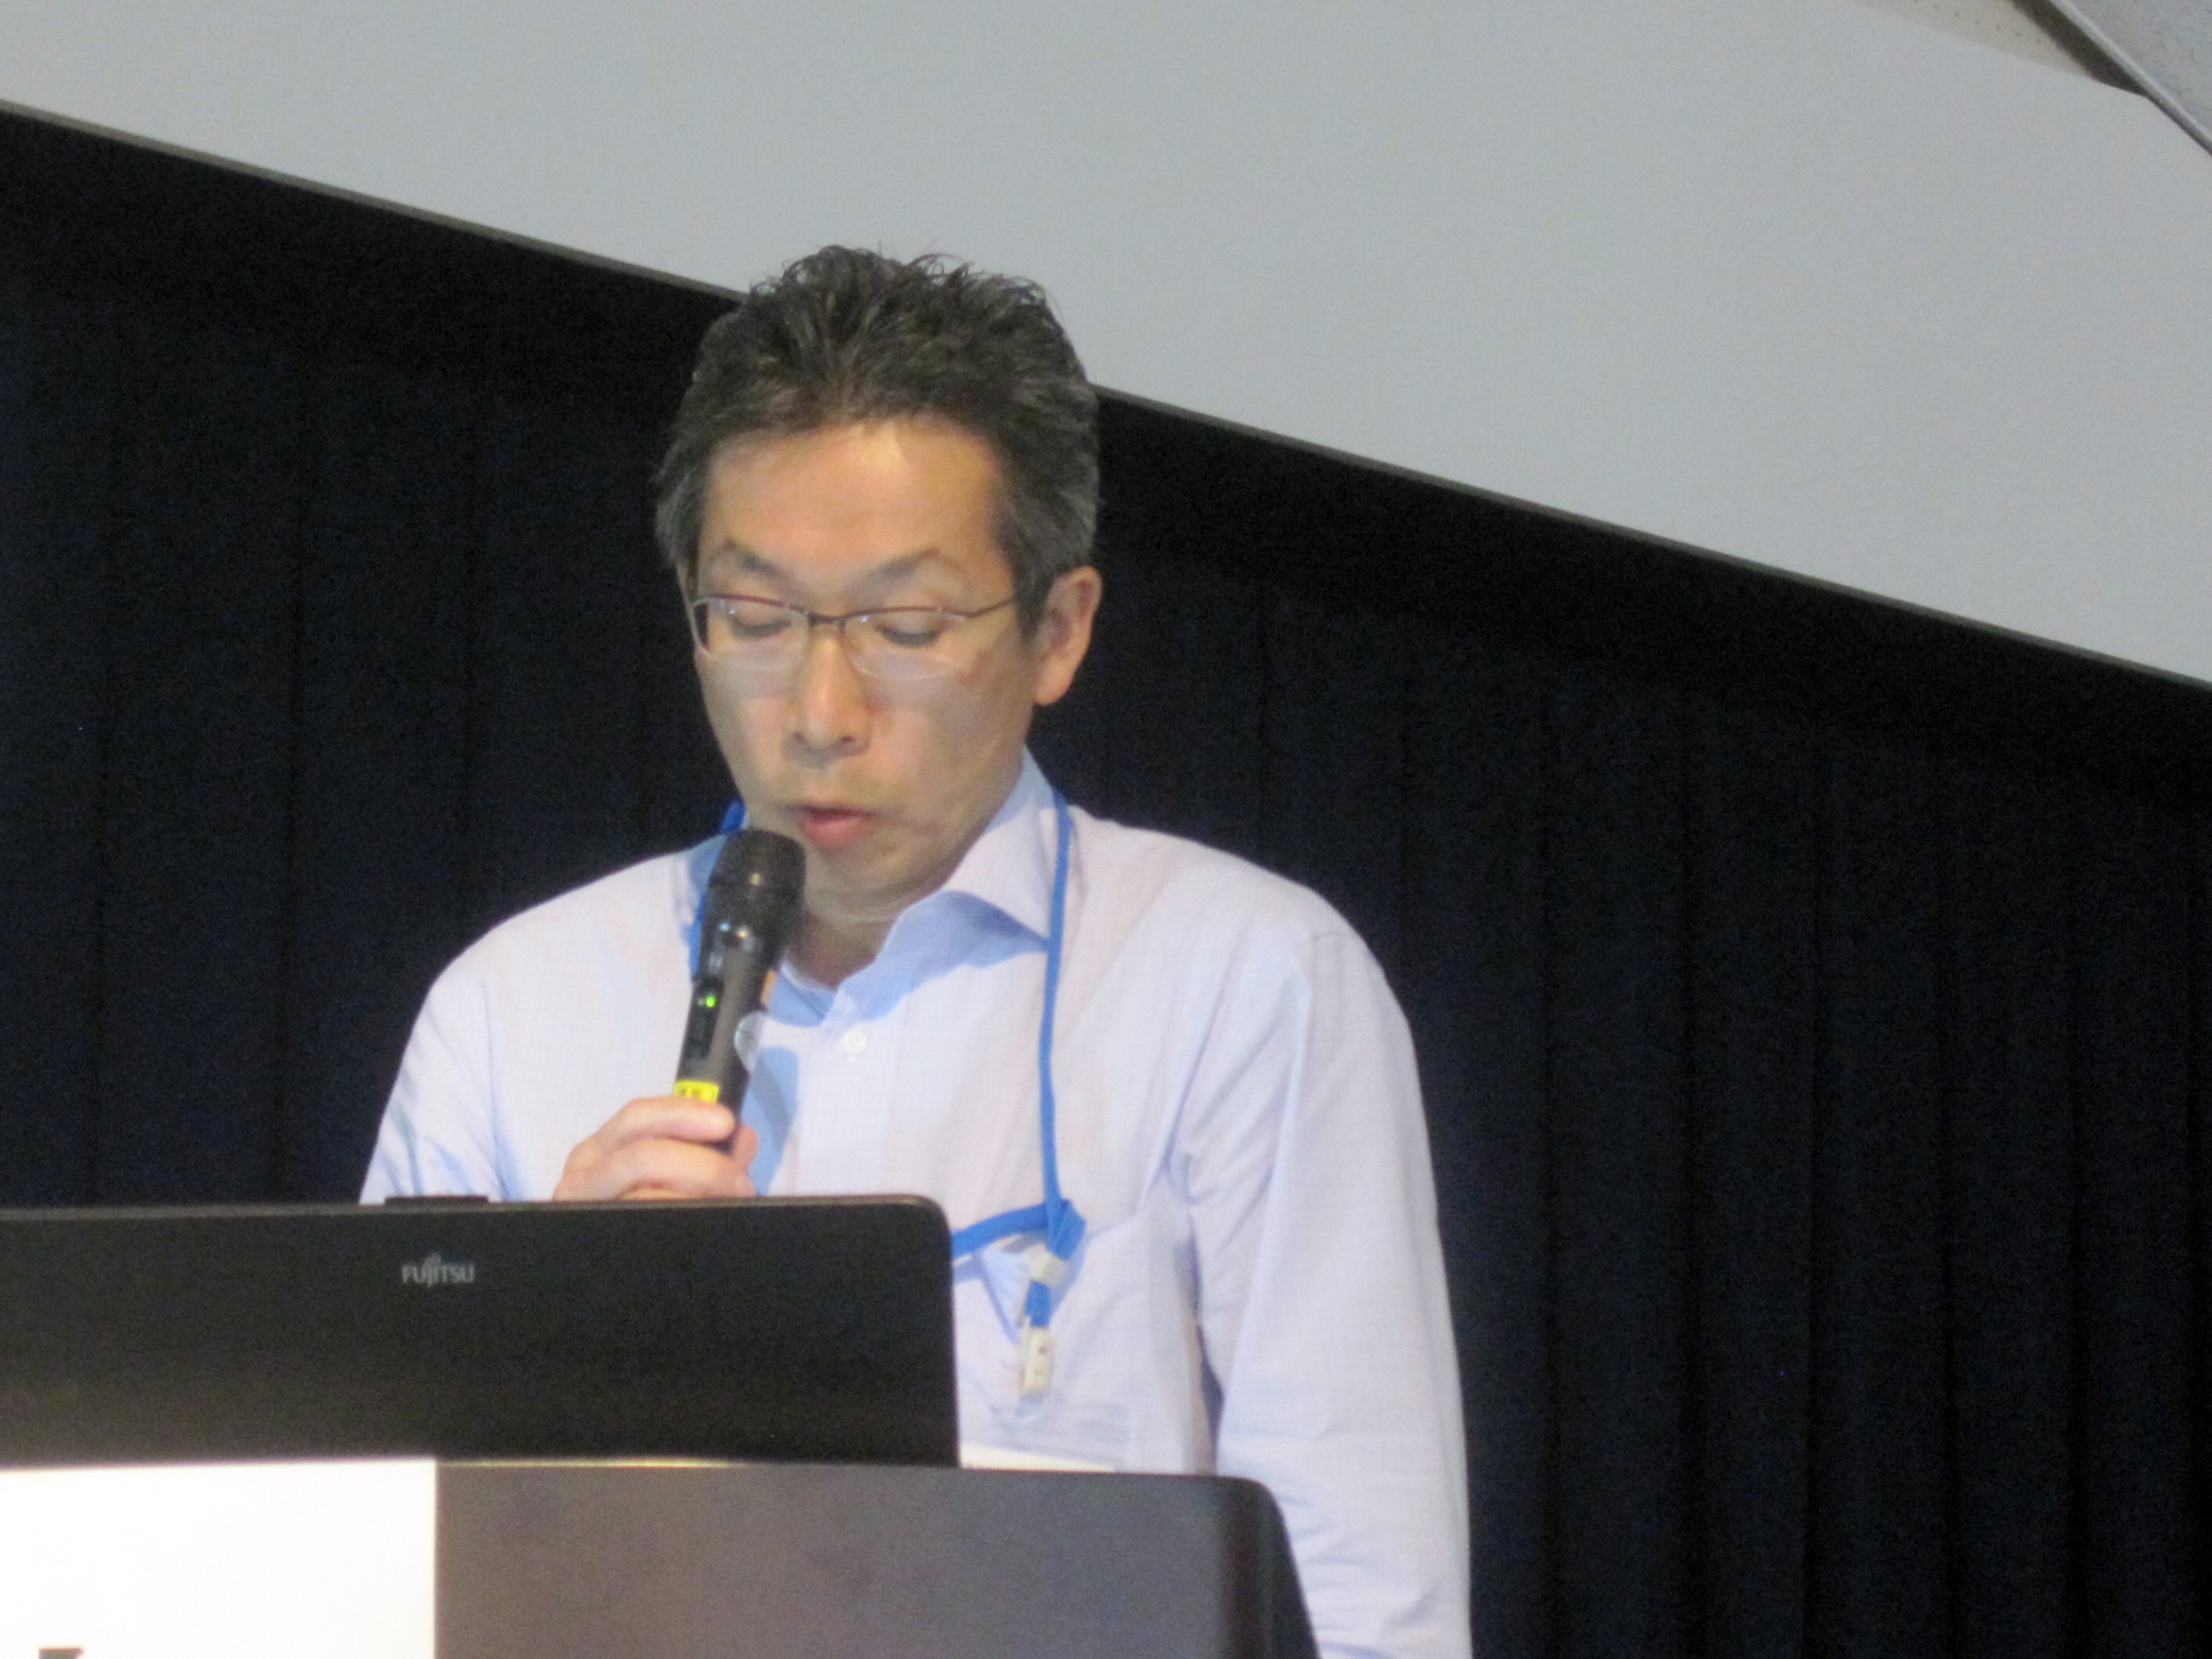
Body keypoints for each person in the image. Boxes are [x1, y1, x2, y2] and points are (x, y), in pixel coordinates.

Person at [362, 247, 1470, 1659]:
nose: (821, 711)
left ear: (1057, 630)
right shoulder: (513, 1008)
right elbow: (367, 1572)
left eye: (903, 626)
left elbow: (1367, 1601)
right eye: (756, 620)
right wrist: (544, 1340)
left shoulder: (1247, 983)